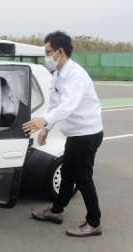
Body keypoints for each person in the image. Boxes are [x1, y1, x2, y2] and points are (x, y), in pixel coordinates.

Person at [22, 31, 104, 237]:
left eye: (48, 52)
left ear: (60, 51)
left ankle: (94, 223)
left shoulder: (76, 75)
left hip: (87, 133)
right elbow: (56, 104)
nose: (46, 57)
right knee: (67, 174)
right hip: (75, 134)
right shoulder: (58, 75)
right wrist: (47, 129)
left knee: (83, 178)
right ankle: (56, 211)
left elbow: (69, 105)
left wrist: (45, 121)